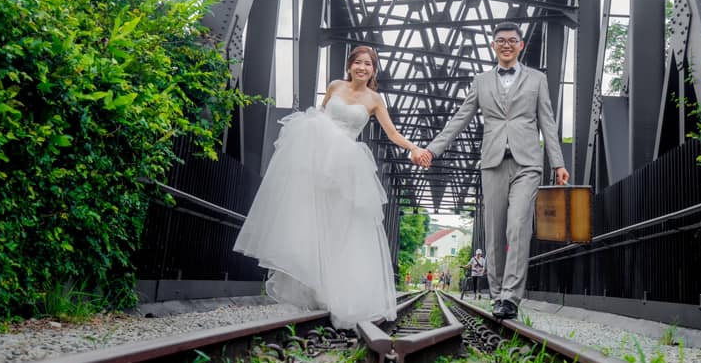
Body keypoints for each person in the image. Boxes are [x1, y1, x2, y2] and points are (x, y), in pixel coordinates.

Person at [233, 46, 429, 329]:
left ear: (373, 71)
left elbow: (393, 133)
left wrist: (414, 148)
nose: (362, 68)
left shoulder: (375, 100)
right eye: (358, 63)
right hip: (318, 162)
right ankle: (312, 286)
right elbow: (320, 117)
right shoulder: (335, 86)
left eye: (368, 65)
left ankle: (333, 291)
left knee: (340, 226)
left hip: (347, 167)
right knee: (313, 222)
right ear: (350, 66)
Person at [417, 22, 570, 320]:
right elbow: (460, 118)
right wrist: (432, 149)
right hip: (493, 163)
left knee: (518, 226)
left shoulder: (537, 79)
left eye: (512, 40)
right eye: (501, 40)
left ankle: (511, 298)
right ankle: (498, 294)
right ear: (494, 45)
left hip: (527, 163)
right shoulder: (481, 81)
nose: (507, 45)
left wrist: (559, 162)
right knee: (494, 231)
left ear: (521, 45)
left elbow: (547, 122)